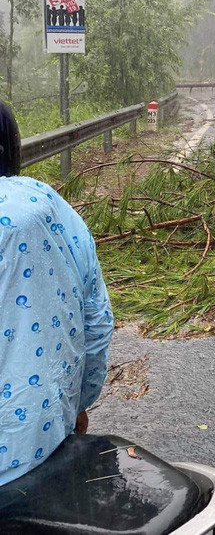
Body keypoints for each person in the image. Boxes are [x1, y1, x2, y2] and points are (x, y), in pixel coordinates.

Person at [0, 101, 113, 487]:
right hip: (45, 438)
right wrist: (81, 402)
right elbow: (97, 320)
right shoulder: (46, 203)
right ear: (14, 145)